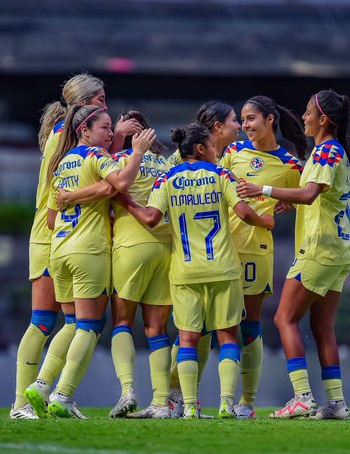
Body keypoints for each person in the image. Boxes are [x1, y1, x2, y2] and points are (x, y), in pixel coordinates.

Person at [119, 123, 274, 419]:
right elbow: (242, 212)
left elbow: (151, 218)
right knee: (228, 337)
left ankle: (190, 406)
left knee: (188, 339)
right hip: (223, 270)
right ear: (201, 148)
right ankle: (227, 404)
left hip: (185, 272)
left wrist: (126, 201)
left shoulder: (167, 178)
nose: (218, 151)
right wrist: (263, 222)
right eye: (213, 147)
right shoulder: (221, 175)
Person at [14, 73, 143, 420]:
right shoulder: (69, 140)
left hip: (56, 234)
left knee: (67, 322)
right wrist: (121, 142)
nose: (104, 104)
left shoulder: (63, 139)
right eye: (99, 100)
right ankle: (27, 401)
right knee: (50, 322)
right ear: (81, 105)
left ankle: (44, 394)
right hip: (57, 235)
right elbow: (104, 181)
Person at [237, 89, 350, 420]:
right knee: (322, 326)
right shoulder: (332, 154)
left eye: (308, 112)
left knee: (284, 318)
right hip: (338, 250)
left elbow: (310, 195)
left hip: (319, 250)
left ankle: (303, 397)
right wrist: (346, 233)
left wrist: (261, 189)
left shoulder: (325, 153)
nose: (304, 117)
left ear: (324, 119)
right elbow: (329, 201)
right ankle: (336, 403)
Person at [56, 110, 173, 419]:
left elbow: (111, 189)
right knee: (157, 329)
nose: (110, 133)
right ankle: (161, 402)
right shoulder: (165, 165)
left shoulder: (117, 161)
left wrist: (68, 197)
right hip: (166, 248)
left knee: (121, 322)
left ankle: (128, 390)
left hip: (130, 246)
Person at [219, 95, 307, 419]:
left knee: (249, 325)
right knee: (215, 324)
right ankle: (193, 400)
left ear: (270, 119)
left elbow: (307, 198)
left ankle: (247, 402)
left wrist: (289, 203)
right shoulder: (231, 153)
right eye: (242, 120)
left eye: (251, 118)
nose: (245, 125)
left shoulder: (289, 164)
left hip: (256, 250)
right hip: (222, 249)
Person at [165, 101, 241, 418]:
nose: (239, 126)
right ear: (215, 132)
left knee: (193, 335)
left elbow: (155, 212)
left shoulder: (174, 172)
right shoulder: (218, 170)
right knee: (220, 334)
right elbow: (242, 209)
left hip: (186, 264)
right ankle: (173, 397)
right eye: (236, 120)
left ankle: (185, 402)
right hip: (217, 261)